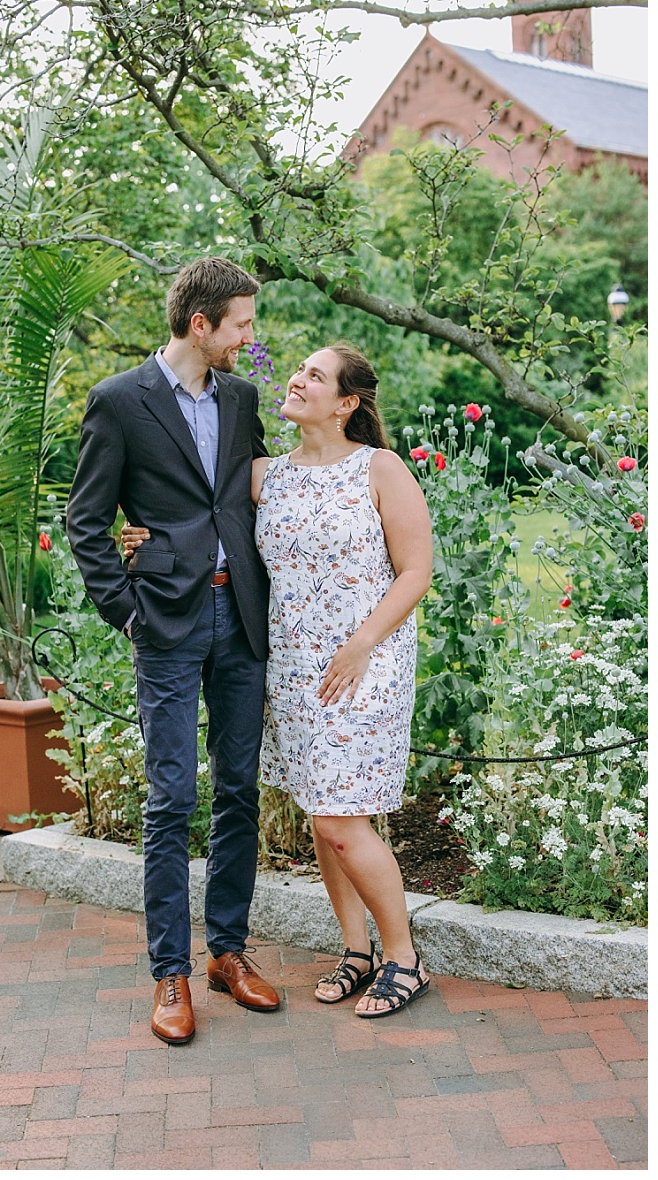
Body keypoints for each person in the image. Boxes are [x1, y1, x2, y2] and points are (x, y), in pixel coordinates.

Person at [66, 257, 277, 1047]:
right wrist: (127, 613)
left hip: (241, 619)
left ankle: (227, 952)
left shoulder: (244, 397)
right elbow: (86, 519)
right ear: (202, 324)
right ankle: (170, 972)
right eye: (242, 325)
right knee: (169, 800)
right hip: (166, 624)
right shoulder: (120, 401)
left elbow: (253, 492)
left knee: (238, 790)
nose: (250, 338)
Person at [253, 344, 433, 1016]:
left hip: (365, 664)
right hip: (294, 670)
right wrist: (141, 536)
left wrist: (359, 645)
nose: (298, 379)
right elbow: (195, 518)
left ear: (348, 402)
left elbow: (416, 569)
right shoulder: (266, 475)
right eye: (299, 369)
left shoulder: (379, 468)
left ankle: (404, 957)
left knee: (337, 816)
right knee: (325, 811)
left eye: (316, 376)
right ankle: (356, 950)